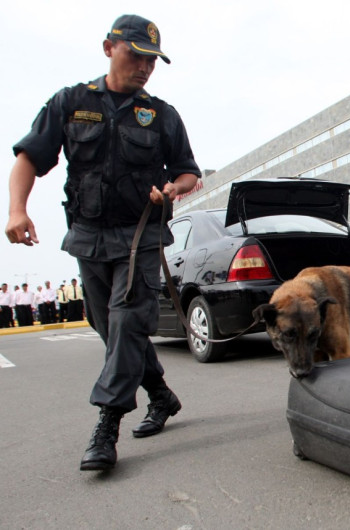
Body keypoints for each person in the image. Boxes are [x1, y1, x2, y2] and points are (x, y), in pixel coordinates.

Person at [5, 14, 201, 472]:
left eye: (153, 60)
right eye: (137, 55)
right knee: (109, 328)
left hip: (139, 237)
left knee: (129, 321)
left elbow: (189, 169)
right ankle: (161, 395)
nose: (145, 67)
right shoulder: (70, 102)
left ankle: (107, 424)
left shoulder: (162, 115)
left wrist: (174, 188)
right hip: (88, 237)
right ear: (109, 48)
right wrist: (17, 209)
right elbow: (29, 158)